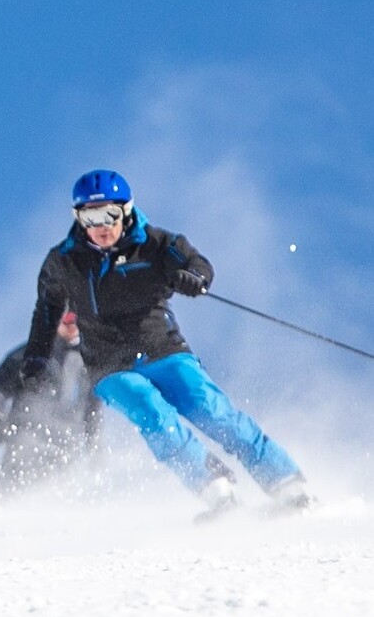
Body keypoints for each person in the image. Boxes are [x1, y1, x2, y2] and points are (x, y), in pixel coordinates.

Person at [19, 169, 313, 520]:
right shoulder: (63, 261)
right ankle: (217, 491)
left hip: (162, 349)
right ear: (78, 218)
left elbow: (196, 263)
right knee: (152, 414)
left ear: (126, 211)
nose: (101, 225)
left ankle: (287, 484)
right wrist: (36, 358)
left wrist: (194, 279)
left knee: (211, 410)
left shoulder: (155, 244)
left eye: (109, 214)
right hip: (109, 364)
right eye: (90, 216)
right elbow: (46, 311)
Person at [0, 311, 101, 492]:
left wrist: (93, 445)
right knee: (13, 493)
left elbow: (92, 407)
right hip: (26, 438)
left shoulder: (87, 361)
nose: (73, 325)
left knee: (56, 497)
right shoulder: (32, 354)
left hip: (65, 444)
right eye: (68, 319)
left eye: (78, 319)